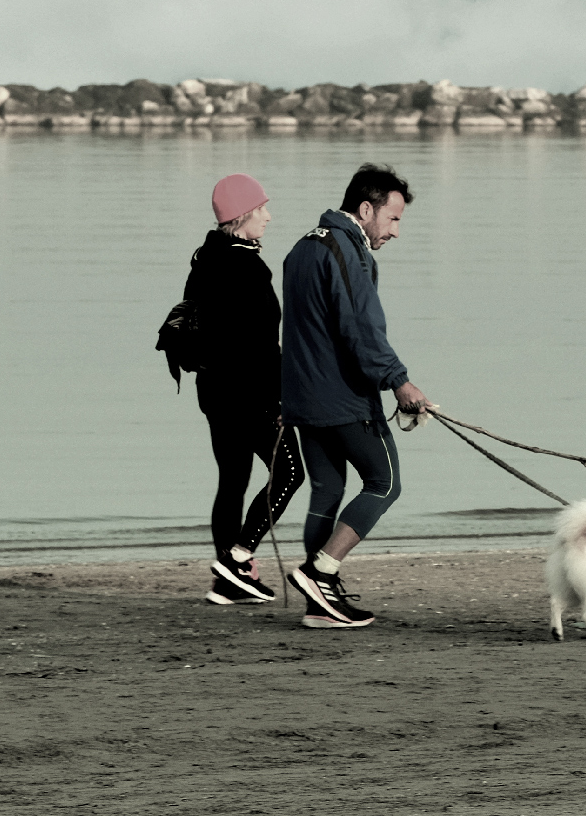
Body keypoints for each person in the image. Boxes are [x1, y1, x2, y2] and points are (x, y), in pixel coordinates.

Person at [281, 163, 434, 628]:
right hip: (343, 398)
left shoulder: (301, 248)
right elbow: (361, 329)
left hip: (303, 397)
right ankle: (321, 572)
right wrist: (400, 382)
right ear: (366, 210)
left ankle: (319, 606)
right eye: (393, 219)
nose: (396, 231)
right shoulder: (346, 250)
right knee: (384, 483)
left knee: (327, 490)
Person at [184, 173, 304, 606]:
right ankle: (238, 558)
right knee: (290, 474)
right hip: (251, 395)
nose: (268, 217)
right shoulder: (246, 267)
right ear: (241, 216)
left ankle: (227, 581)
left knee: (232, 481)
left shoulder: (205, 260)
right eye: (261, 209)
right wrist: (282, 399)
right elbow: (260, 346)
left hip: (214, 391)